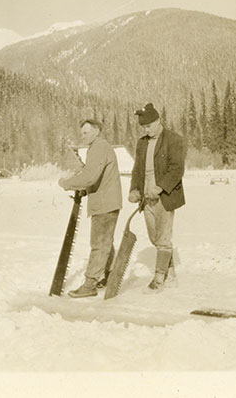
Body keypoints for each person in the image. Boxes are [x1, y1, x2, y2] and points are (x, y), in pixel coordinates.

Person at [58, 119, 122, 298]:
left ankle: (90, 284)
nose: (82, 136)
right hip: (105, 201)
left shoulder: (99, 147)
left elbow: (89, 176)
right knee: (105, 242)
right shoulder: (99, 147)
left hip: (104, 204)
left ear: (96, 131)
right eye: (82, 133)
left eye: (86, 132)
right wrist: (86, 190)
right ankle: (107, 276)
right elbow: (96, 178)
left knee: (99, 244)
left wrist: (67, 183)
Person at [129, 103, 186, 290]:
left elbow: (176, 169)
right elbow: (137, 168)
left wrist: (160, 187)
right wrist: (135, 189)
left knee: (163, 237)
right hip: (147, 195)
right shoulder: (142, 142)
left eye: (149, 126)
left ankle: (159, 278)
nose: (147, 130)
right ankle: (170, 276)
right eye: (143, 127)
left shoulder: (174, 140)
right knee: (154, 237)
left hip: (165, 195)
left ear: (158, 121)